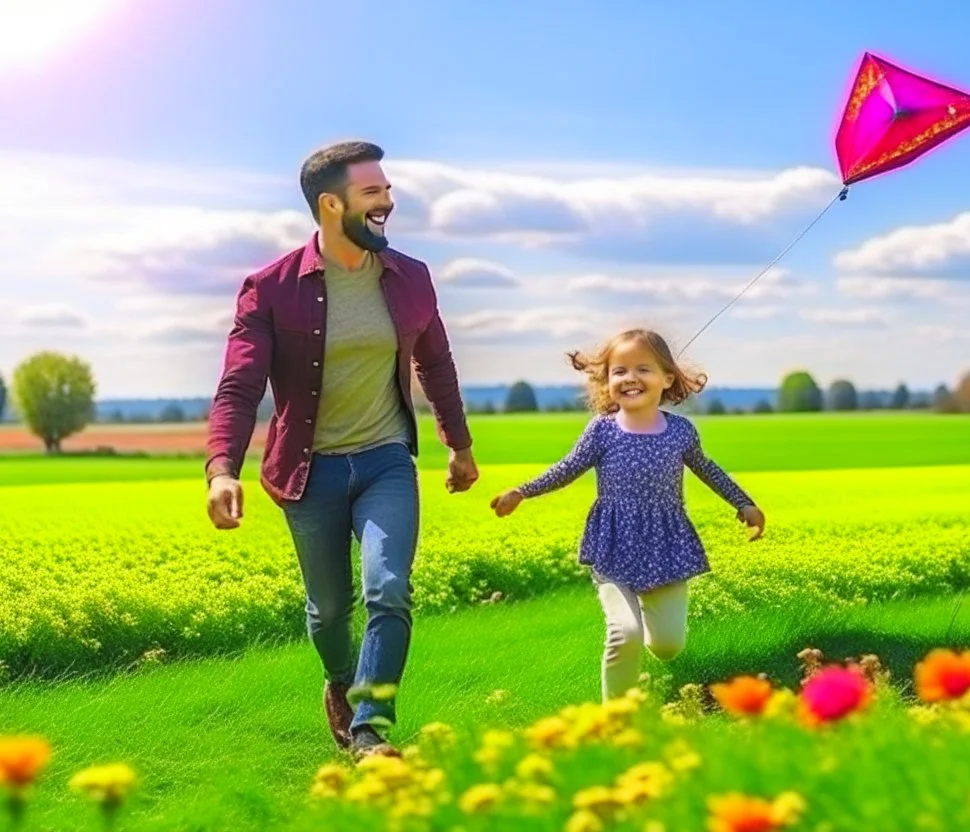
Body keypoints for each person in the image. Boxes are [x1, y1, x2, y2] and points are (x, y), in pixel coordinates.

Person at [203, 140, 479, 759]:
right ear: (331, 204)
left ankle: (371, 731)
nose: (388, 202)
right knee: (330, 612)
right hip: (309, 471)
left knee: (388, 585)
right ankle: (338, 681)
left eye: (386, 190)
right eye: (372, 193)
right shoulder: (271, 288)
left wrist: (458, 446)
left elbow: (435, 362)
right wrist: (222, 468)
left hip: (386, 459)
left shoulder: (411, 277)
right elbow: (240, 385)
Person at [489, 329, 764, 701]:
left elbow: (707, 469)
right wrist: (522, 491)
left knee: (668, 645)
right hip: (613, 543)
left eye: (643, 369)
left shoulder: (681, 431)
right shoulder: (601, 430)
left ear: (667, 378)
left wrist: (743, 503)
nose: (630, 378)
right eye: (620, 371)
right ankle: (617, 720)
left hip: (667, 544)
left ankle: (653, 636)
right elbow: (568, 468)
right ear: (607, 380)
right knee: (624, 633)